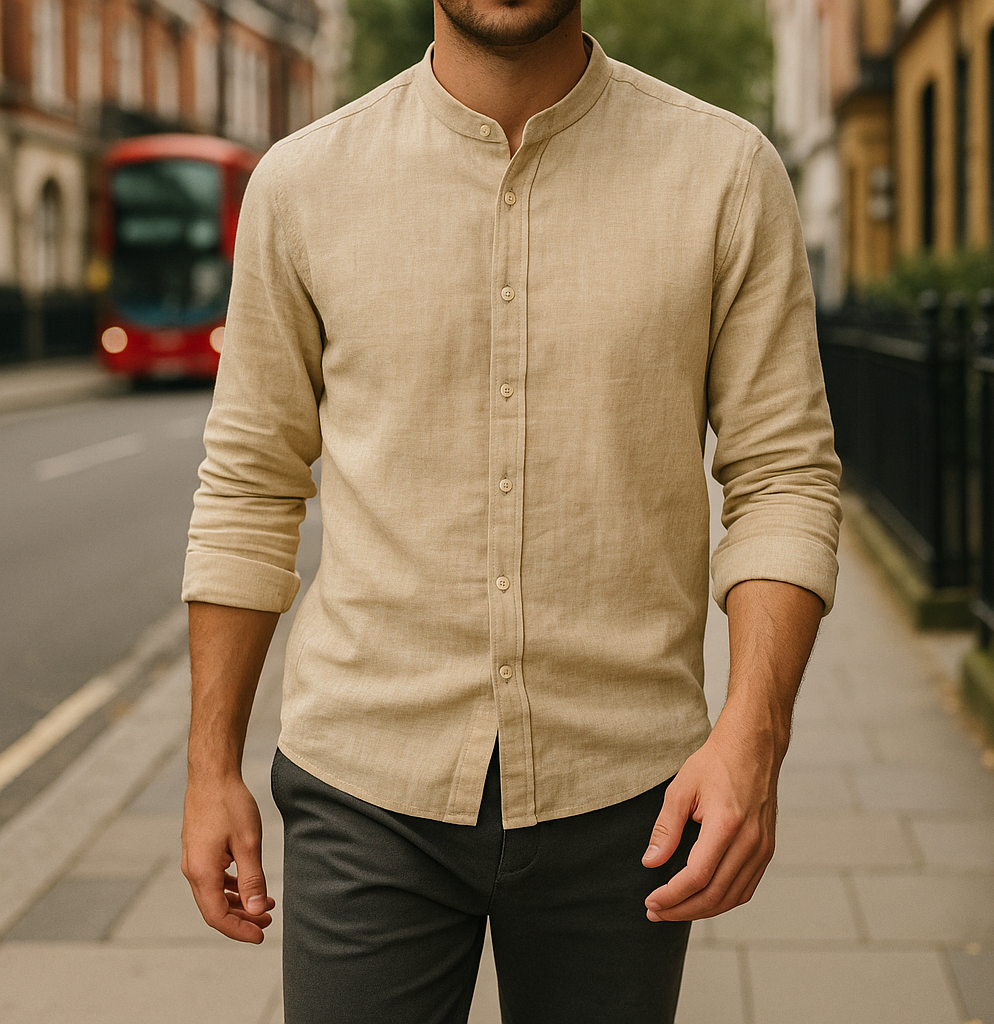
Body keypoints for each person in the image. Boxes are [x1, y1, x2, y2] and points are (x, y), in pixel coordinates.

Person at [180, 1, 841, 1021]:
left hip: (630, 794)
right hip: (362, 783)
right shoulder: (302, 185)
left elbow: (782, 475)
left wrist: (755, 734)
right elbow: (249, 485)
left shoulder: (725, 173)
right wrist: (209, 763)